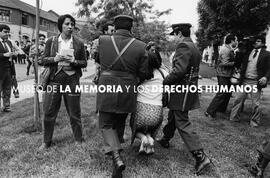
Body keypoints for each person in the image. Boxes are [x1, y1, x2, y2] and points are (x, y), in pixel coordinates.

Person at [96, 14, 149, 178]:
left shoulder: (103, 40)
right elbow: (144, 72)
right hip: (128, 86)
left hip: (107, 84)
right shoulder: (141, 46)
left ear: (115, 26)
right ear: (130, 27)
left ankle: (117, 157)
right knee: (119, 121)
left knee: (105, 124)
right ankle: (115, 160)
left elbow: (98, 59)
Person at [157, 23, 211, 175]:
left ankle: (200, 156)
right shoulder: (192, 45)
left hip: (183, 88)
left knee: (181, 120)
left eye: (174, 34)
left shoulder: (183, 46)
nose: (174, 38)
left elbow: (179, 71)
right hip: (187, 86)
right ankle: (166, 138)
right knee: (173, 114)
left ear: (179, 33)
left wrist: (165, 80)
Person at [39, 14, 87, 149]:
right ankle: (46, 141)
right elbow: (43, 60)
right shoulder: (51, 41)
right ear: (60, 26)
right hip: (54, 80)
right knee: (49, 112)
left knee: (74, 112)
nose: (70, 27)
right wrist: (55, 59)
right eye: (67, 24)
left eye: (72, 24)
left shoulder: (79, 43)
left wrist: (74, 61)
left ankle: (79, 139)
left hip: (72, 81)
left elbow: (84, 63)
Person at [130, 43, 167, 154]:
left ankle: (143, 139)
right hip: (157, 112)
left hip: (141, 109)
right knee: (150, 127)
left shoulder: (141, 74)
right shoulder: (164, 74)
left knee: (134, 125)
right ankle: (150, 138)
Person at [229, 35, 270, 127]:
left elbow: (269, 68)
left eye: (258, 41)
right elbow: (239, 59)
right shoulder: (248, 52)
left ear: (263, 43)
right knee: (238, 100)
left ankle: (254, 122)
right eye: (255, 41)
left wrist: (266, 77)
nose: (256, 42)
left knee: (256, 104)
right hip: (244, 81)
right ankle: (234, 118)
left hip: (256, 82)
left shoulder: (266, 54)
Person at [205, 34, 238, 118]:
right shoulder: (226, 50)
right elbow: (224, 63)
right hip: (223, 74)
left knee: (227, 92)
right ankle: (209, 111)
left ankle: (220, 109)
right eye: (235, 40)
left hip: (226, 74)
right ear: (231, 41)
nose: (236, 42)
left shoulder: (228, 49)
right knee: (222, 93)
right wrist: (235, 63)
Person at [0, 24, 17, 112]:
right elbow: (5, 55)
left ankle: (7, 107)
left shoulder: (9, 42)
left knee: (7, 89)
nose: (7, 34)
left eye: (8, 32)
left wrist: (14, 55)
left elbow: (11, 58)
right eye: (5, 32)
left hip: (9, 69)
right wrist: (3, 55)